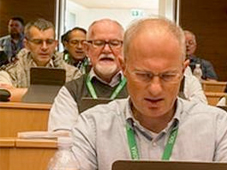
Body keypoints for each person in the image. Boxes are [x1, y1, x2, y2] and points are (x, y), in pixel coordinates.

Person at [37, 17, 227, 170]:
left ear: (183, 70)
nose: (155, 89)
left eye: (168, 76)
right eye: (143, 75)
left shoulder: (216, 123)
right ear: (123, 67)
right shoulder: (93, 123)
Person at [48, 19, 208, 132]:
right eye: (98, 43)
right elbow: (62, 138)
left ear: (125, 49)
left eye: (114, 43)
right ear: (87, 48)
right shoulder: (71, 90)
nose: (106, 50)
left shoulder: (152, 86)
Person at [0, 18, 81, 101]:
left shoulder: (73, 74)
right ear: (26, 44)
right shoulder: (11, 72)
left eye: (49, 42)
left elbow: (78, 98)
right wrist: (58, 94)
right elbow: (5, 95)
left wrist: (21, 93)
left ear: (55, 44)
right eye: (38, 42)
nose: (44, 47)